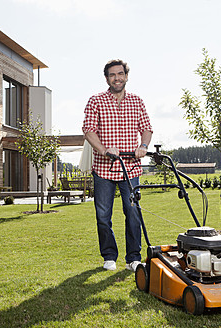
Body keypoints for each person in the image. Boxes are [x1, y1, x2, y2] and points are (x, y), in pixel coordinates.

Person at [82, 59, 153, 271]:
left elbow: (147, 128)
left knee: (132, 213)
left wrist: (143, 145)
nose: (117, 78)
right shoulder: (96, 101)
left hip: (130, 167)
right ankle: (109, 256)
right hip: (104, 168)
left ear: (126, 76)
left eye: (120, 74)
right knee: (103, 215)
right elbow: (88, 130)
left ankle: (133, 258)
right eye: (112, 75)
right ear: (107, 78)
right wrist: (104, 150)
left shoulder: (137, 101)